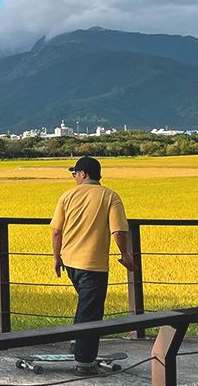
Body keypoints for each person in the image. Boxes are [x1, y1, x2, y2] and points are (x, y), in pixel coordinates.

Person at [49, 156, 135, 376]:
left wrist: (56, 257)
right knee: (91, 312)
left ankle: (77, 342)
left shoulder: (66, 196)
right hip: (93, 265)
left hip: (70, 263)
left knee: (86, 304)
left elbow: (56, 230)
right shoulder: (110, 196)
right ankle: (85, 363)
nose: (74, 178)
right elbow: (118, 231)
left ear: (83, 174)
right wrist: (125, 256)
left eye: (74, 174)